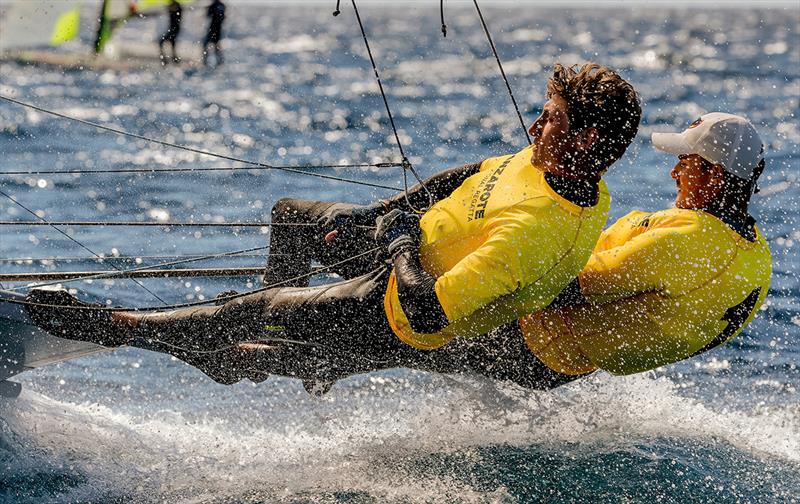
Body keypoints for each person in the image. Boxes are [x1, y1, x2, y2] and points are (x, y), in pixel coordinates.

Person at [25, 63, 642, 389]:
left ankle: (114, 325)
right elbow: (466, 176)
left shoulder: (537, 229)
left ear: (586, 138)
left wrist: (399, 239)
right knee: (295, 219)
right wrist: (377, 216)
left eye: (551, 119)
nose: (534, 128)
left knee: (257, 305)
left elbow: (430, 314)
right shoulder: (564, 171)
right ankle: (266, 349)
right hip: (400, 246)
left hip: (397, 309)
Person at [512, 112, 772, 383]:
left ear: (715, 176)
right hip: (562, 366)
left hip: (524, 341)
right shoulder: (755, 252)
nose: (675, 172)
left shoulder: (687, 241)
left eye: (684, 162)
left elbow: (557, 287)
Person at [203, 0, 226, 67]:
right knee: (216, 46)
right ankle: (220, 61)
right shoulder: (221, 5)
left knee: (206, 45)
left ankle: (205, 61)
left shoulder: (213, 5)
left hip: (213, 29)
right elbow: (223, 17)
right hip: (218, 29)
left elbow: (208, 15)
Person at [159, 0, 182, 64]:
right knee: (172, 44)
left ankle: (167, 59)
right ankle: (174, 59)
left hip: (174, 29)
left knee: (162, 42)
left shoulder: (177, 6)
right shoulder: (172, 5)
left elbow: (175, 9)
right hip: (173, 29)